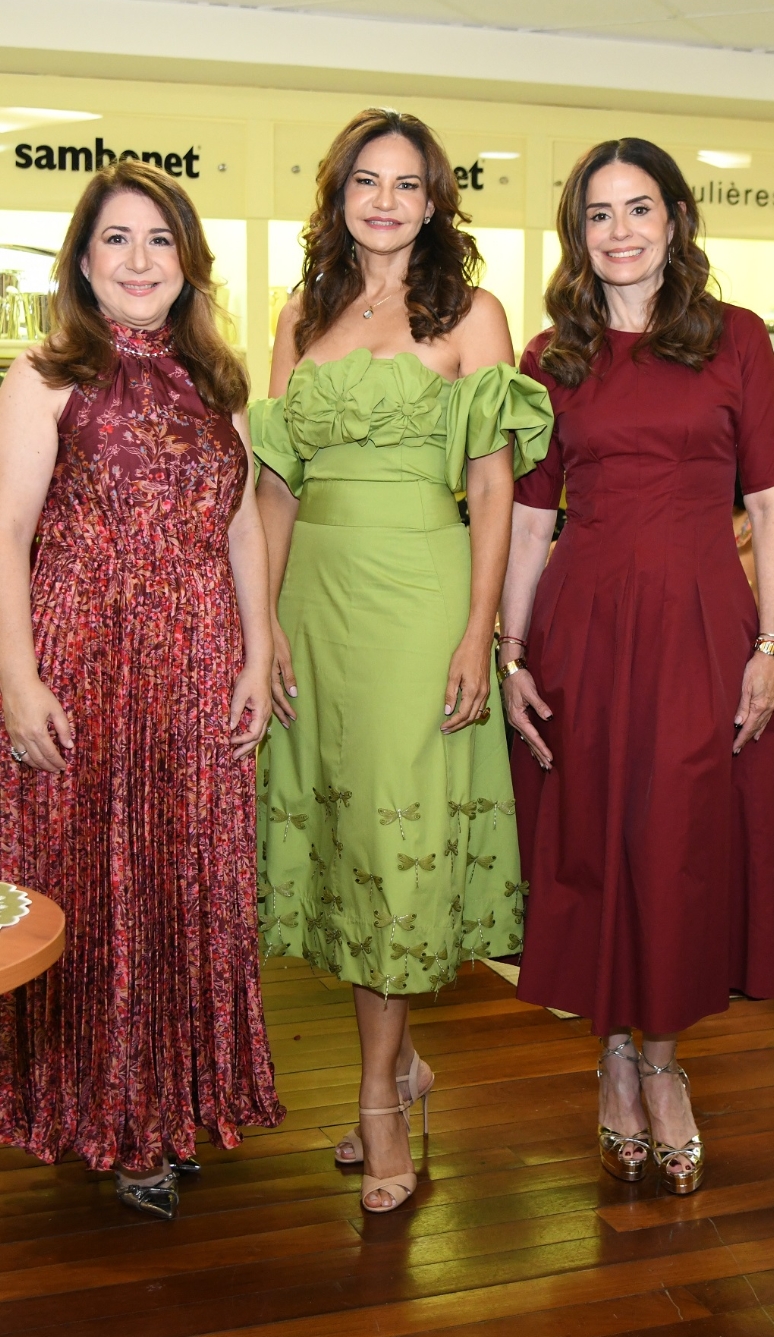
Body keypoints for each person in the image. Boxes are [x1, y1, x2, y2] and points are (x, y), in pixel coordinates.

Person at [251, 108, 551, 1213]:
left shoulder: (471, 312)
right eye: (365, 182)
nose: (385, 200)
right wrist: (261, 620)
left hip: (418, 598)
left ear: (436, 202)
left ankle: (380, 1104)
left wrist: (482, 631)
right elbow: (275, 483)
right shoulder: (300, 315)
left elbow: (491, 487)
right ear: (338, 196)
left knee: (392, 831)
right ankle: (401, 1063)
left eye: (408, 184)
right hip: (312, 601)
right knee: (346, 833)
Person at [0, 160, 284, 1219]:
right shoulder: (43, 375)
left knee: (186, 888)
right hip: (82, 659)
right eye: (116, 239)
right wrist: (17, 679)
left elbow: (244, 522)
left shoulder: (221, 382)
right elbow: (7, 533)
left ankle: (172, 1100)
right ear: (82, 259)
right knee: (98, 890)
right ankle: (111, 1121)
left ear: (187, 262)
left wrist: (259, 653)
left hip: (199, 663)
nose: (138, 260)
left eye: (159, 240)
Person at [501, 137, 774, 1196]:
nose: (619, 231)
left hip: (707, 625)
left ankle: (663, 1061)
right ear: (578, 234)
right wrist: (511, 652)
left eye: (638, 209)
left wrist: (771, 643)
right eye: (598, 213)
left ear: (675, 220)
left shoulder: (739, 340)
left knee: (680, 839)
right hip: (585, 628)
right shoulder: (550, 357)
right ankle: (614, 1053)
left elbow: (767, 505)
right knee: (599, 840)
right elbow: (530, 523)